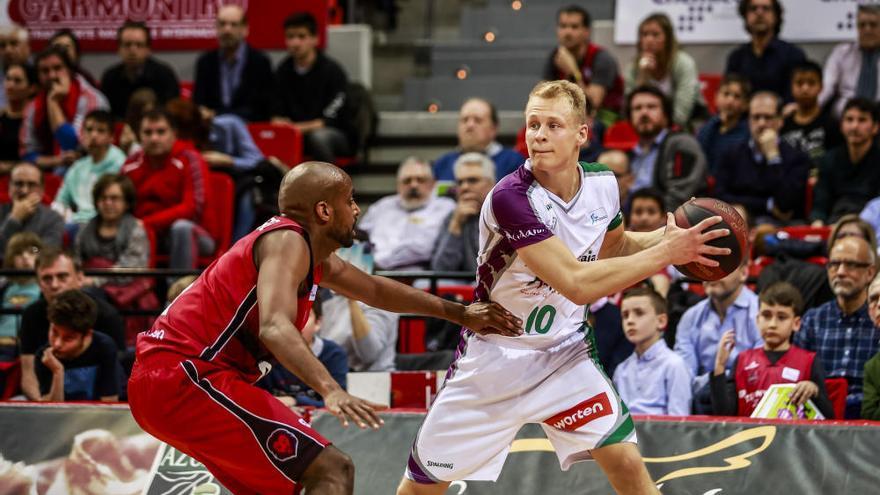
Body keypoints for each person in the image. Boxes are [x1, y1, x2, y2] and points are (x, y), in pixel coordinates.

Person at [396, 80, 730, 495]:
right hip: (496, 359)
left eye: (553, 125)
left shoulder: (603, 184)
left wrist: (670, 241)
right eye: (533, 123)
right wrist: (666, 254)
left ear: (582, 134)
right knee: (421, 488)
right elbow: (576, 284)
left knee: (626, 462)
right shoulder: (511, 199)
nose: (538, 134)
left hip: (564, 353)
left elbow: (614, 247)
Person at [127, 160, 521, 494]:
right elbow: (276, 327)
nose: (357, 210)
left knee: (293, 485)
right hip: (184, 377)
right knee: (333, 469)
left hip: (173, 380)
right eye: (349, 201)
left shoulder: (311, 254)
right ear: (323, 212)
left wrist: (460, 314)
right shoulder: (287, 241)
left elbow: (373, 289)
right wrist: (331, 390)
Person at [710, 281, 834, 418]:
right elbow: (724, 415)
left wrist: (814, 390)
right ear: (757, 319)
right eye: (766, 315)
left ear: (796, 323)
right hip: (748, 437)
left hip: (792, 438)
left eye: (782, 317)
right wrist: (720, 366)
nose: (772, 324)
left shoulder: (809, 361)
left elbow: (829, 418)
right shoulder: (742, 360)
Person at [18, 248, 124, 401]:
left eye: (62, 277)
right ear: (39, 284)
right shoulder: (31, 315)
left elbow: (114, 380)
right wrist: (41, 408)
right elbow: (29, 376)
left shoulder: (107, 317)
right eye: (47, 278)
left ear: (80, 278)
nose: (54, 285)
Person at [794, 236, 880, 418]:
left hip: (870, 419)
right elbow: (798, 377)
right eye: (834, 264)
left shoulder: (877, 319)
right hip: (820, 418)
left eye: (851, 264)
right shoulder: (812, 319)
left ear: (870, 272)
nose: (840, 272)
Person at [122, 109, 214, 270]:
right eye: (148, 132)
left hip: (195, 235)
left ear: (174, 133)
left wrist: (146, 223)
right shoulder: (130, 164)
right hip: (146, 234)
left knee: (181, 227)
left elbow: (192, 208)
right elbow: (120, 204)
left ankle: (179, 291)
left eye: (161, 132)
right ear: (139, 136)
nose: (154, 138)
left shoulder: (190, 159)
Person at [675, 259, 763, 414]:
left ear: (743, 273)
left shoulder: (761, 313)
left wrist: (717, 381)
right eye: (706, 268)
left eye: (720, 268)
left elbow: (758, 372)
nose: (711, 274)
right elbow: (683, 375)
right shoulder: (691, 316)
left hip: (746, 404)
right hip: (698, 404)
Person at [714, 91, 811, 224]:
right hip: (742, 221)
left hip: (781, 225)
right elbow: (720, 197)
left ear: (780, 121)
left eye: (768, 117)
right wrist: (767, 204)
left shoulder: (797, 158)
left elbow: (786, 204)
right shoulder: (731, 154)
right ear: (749, 121)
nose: (761, 124)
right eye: (756, 117)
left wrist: (773, 158)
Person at [272, 12, 356, 163]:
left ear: (315, 39)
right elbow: (276, 111)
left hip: (336, 135)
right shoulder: (282, 71)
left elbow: (329, 120)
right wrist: (278, 121)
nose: (295, 43)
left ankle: (332, 185)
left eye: (301, 36)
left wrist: (296, 128)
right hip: (296, 135)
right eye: (290, 37)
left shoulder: (332, 71)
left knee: (319, 137)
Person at [358, 157, 454, 270]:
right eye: (407, 180)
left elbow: (423, 248)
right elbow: (360, 238)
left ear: (432, 184)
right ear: (398, 185)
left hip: (415, 273)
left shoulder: (444, 207)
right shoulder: (381, 207)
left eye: (420, 180)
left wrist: (377, 262)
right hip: (371, 271)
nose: (413, 185)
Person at [21, 46, 108, 169]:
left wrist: (53, 102)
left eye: (57, 68)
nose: (52, 76)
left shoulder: (91, 99)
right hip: (47, 170)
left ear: (70, 71)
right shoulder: (34, 105)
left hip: (88, 166)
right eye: (45, 71)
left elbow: (73, 144)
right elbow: (26, 153)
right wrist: (55, 161)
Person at [613, 287, 692, 416]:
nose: (630, 321)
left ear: (661, 321)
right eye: (625, 315)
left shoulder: (674, 365)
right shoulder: (621, 370)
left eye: (639, 313)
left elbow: (679, 425)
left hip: (662, 435)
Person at [627, 85, 707, 211]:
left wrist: (656, 220)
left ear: (665, 114)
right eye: (637, 108)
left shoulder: (682, 144)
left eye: (651, 107)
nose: (644, 112)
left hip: (669, 223)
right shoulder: (629, 154)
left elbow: (680, 196)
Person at [259, 296, 348, 407]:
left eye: (305, 315)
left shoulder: (334, 354)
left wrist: (295, 401)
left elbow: (339, 403)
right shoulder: (264, 352)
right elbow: (254, 399)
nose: (296, 323)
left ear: (318, 323)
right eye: (288, 317)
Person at [33, 289, 119, 402]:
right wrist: (57, 372)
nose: (57, 344)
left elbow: (110, 402)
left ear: (87, 335)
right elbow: (50, 413)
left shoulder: (104, 347)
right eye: (54, 332)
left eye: (68, 338)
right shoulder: (45, 356)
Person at [194, 4, 273, 121]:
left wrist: (218, 114)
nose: (227, 30)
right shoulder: (205, 62)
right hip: (212, 131)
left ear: (245, 29)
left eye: (233, 24)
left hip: (249, 130)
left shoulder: (260, 62)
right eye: (222, 24)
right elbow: (199, 103)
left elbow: (262, 108)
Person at [624, 13, 704, 128]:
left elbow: (681, 114)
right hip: (646, 127)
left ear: (668, 39)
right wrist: (642, 77)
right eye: (644, 34)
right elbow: (629, 112)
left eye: (655, 35)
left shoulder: (683, 64)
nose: (649, 40)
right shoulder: (633, 68)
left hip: (687, 124)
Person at [543, 5, 624, 118]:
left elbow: (591, 105)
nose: (567, 32)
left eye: (574, 27)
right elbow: (545, 98)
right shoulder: (555, 57)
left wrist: (572, 73)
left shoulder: (601, 58)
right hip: (569, 115)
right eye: (563, 26)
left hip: (606, 117)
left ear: (587, 31)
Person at [811, 98, 880, 226]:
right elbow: (820, 205)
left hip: (870, 227)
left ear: (875, 127)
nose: (854, 126)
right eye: (849, 120)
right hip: (834, 224)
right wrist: (818, 223)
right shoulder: (828, 159)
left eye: (862, 120)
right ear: (841, 126)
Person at [52, 110, 126, 228]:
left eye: (101, 131)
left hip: (106, 223)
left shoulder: (121, 164)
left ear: (111, 137)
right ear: (82, 134)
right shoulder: (77, 167)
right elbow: (60, 202)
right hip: (76, 223)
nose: (93, 135)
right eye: (89, 130)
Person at [74, 174, 150, 289]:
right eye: (103, 198)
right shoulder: (85, 229)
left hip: (122, 291)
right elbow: (76, 261)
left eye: (114, 198)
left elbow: (132, 267)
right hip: (85, 284)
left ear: (127, 203)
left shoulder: (135, 229)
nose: (108, 203)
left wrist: (95, 281)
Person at [725, 0, 806, 101]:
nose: (759, 13)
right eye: (753, 9)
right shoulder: (736, 57)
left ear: (776, 16)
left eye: (766, 8)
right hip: (744, 115)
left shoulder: (793, 55)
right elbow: (730, 94)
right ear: (745, 16)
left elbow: (796, 96)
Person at [100, 21, 180, 119]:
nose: (133, 50)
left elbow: (171, 114)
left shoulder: (164, 75)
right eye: (127, 45)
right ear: (119, 48)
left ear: (148, 49)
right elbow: (105, 115)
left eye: (139, 45)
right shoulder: (110, 77)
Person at [432, 98, 524, 182]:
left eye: (478, 120)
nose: (470, 125)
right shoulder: (442, 164)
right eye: (464, 120)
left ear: (493, 128)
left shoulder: (514, 163)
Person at [431, 153, 495, 272]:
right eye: (460, 182)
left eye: (472, 180)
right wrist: (456, 224)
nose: (464, 187)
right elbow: (441, 270)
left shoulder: (507, 214)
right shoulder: (453, 217)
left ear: (491, 184)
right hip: (465, 285)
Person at [819, 4, 880, 119]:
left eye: (873, 25)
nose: (867, 30)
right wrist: (809, 107)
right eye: (862, 25)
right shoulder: (841, 53)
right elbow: (827, 87)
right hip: (845, 119)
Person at [780, 61, 843, 166]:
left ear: (821, 87)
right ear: (791, 87)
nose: (805, 89)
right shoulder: (782, 124)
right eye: (799, 83)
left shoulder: (832, 125)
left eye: (811, 83)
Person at [319, 289, 398, 372]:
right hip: (336, 377)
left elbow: (369, 354)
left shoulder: (379, 300)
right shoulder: (327, 302)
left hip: (375, 378)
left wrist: (352, 299)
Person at [0, 162, 63, 252]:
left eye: (32, 184)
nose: (25, 191)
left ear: (42, 189)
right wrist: (14, 219)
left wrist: (22, 251)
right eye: (18, 184)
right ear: (9, 187)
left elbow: (46, 252)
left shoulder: (53, 218)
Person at [697, 74, 751, 175]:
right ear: (715, 98)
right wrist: (716, 121)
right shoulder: (708, 127)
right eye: (726, 94)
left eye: (737, 96)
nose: (730, 101)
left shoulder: (748, 133)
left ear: (745, 104)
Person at [0, 232, 41, 361]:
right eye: (18, 253)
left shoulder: (45, 287)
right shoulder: (4, 287)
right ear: (11, 259)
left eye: (31, 252)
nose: (25, 257)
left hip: (25, 347)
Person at [0, 63, 36, 169]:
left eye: (17, 81)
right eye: (8, 79)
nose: (10, 85)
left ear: (32, 88)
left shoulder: (33, 119)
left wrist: (7, 167)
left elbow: (35, 157)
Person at [0, 24, 31, 109]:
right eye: (2, 45)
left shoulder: (40, 71)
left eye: (14, 44)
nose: (8, 50)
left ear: (27, 47)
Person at [862, 275, 880, 420]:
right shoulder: (872, 367)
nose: (879, 304)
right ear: (870, 313)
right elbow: (869, 416)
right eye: (873, 299)